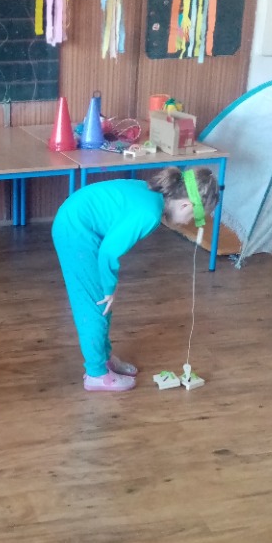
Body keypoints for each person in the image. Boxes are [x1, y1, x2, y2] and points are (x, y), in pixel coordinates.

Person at [51, 167, 219, 392]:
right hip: (75, 231)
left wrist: (109, 287)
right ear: (185, 205)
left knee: (104, 306)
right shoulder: (149, 213)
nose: (188, 222)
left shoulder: (153, 197)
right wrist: (109, 288)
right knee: (95, 306)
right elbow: (109, 252)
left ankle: (103, 358)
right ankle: (96, 374)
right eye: (193, 217)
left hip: (79, 223)